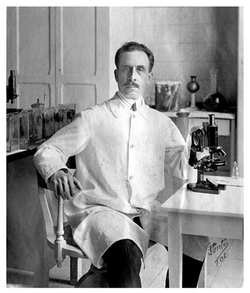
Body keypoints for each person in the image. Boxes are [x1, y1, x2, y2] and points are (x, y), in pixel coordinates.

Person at [34, 41, 210, 288]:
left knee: (194, 238)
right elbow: (48, 150)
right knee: (126, 256)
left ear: (149, 76)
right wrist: (58, 170)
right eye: (126, 69)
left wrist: (196, 147)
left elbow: (181, 168)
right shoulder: (93, 118)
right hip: (103, 210)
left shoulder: (160, 123)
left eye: (139, 70)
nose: (132, 76)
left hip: (147, 211)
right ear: (116, 74)